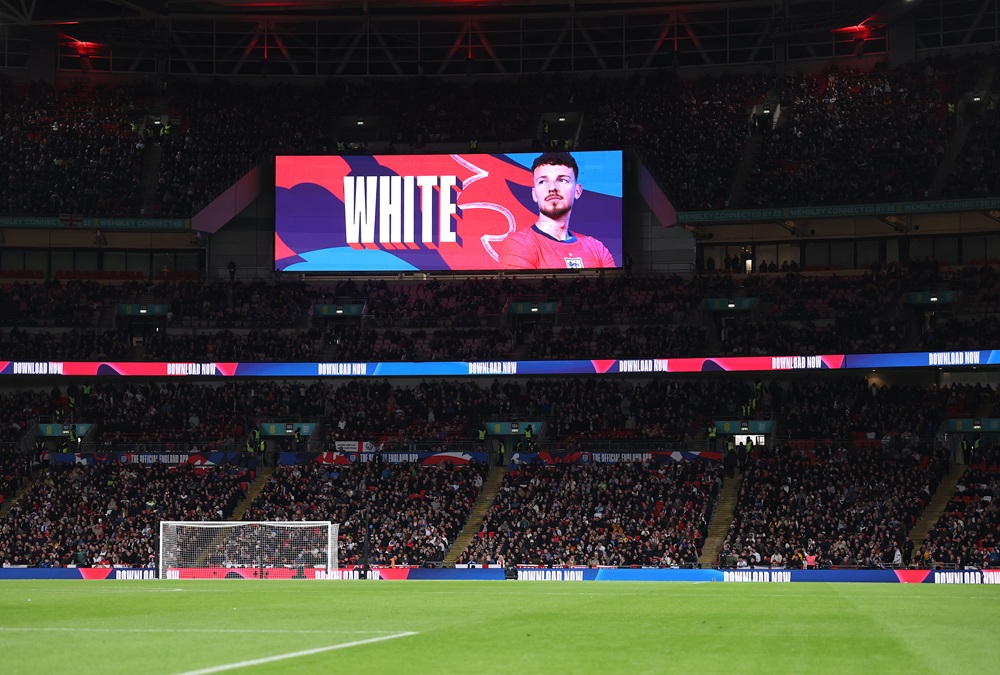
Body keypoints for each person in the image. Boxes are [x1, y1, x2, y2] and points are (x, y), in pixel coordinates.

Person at [499, 151, 616, 269]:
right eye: (542, 181)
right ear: (534, 194)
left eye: (562, 180)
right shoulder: (519, 244)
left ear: (577, 191)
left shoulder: (597, 249)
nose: (552, 188)